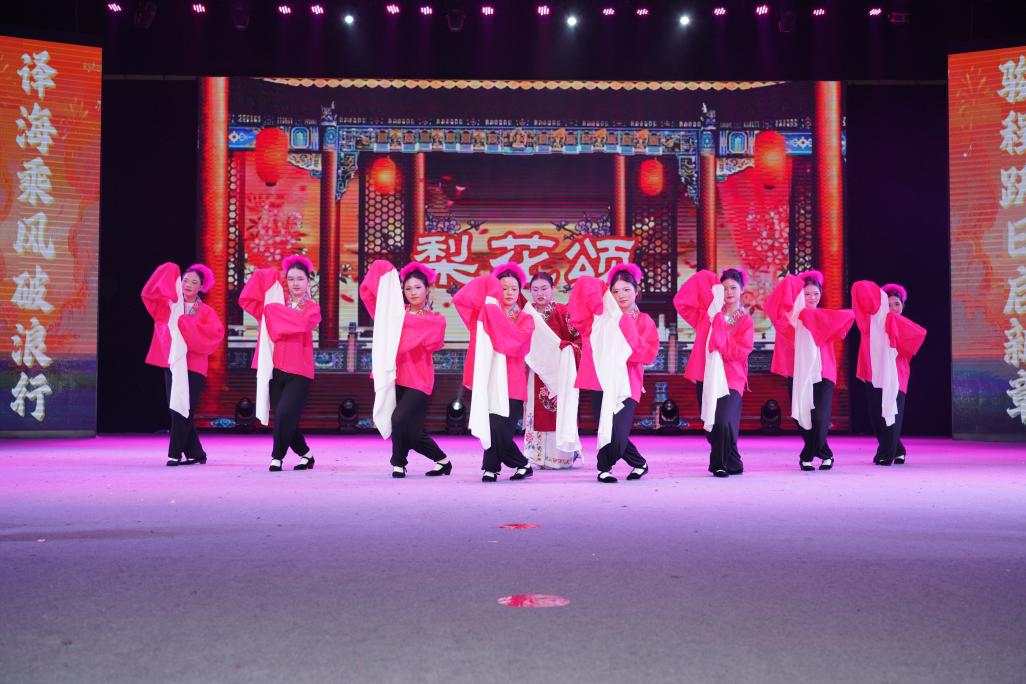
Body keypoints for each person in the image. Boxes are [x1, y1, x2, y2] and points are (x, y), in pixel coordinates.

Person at [359, 260, 451, 478]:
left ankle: (398, 463)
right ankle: (443, 461)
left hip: (419, 380)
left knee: (398, 419)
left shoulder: (435, 320)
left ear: (427, 289)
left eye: (418, 287)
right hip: (396, 376)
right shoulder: (394, 315)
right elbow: (368, 295)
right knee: (412, 432)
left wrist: (400, 323)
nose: (413, 292)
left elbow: (432, 342)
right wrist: (382, 269)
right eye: (408, 288)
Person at [568, 264, 659, 483]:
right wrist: (602, 294)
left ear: (637, 291)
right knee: (606, 428)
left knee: (618, 431)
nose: (621, 295)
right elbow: (582, 290)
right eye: (615, 291)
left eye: (626, 289)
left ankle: (610, 464)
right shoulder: (601, 319)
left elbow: (645, 354)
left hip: (628, 383)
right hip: (600, 381)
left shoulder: (644, 321)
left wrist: (624, 324)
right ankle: (612, 467)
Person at [765, 270, 854, 471]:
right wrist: (790, 283)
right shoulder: (791, 319)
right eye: (807, 294)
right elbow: (772, 306)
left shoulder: (824, 316)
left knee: (820, 417)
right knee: (802, 415)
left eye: (816, 293)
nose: (812, 297)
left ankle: (807, 454)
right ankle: (825, 453)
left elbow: (847, 318)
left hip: (824, 372)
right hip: (798, 372)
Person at [239, 254, 321, 472]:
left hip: (300, 371)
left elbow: (301, 324)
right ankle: (306, 455)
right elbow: (247, 298)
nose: (295, 283)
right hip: (274, 368)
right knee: (285, 418)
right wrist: (271, 276)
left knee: (285, 414)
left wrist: (274, 314)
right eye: (291, 279)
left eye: (300, 279)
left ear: (308, 281)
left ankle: (277, 457)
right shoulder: (273, 301)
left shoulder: (312, 307)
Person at [454, 264, 535, 482]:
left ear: (520, 292)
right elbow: (460, 299)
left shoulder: (525, 319)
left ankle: (508, 465)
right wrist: (487, 285)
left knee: (501, 431)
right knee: (492, 427)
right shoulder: (483, 313)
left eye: (514, 289)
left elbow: (514, 344)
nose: (509, 293)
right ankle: (506, 466)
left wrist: (493, 312)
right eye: (503, 288)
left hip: (513, 385)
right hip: (489, 382)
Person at [142, 262, 224, 466]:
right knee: (176, 408)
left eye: (194, 282)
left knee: (184, 408)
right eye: (185, 280)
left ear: (201, 287)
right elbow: (148, 294)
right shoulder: (170, 305)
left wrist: (186, 325)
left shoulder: (206, 311)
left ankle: (175, 453)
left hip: (194, 366)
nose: (188, 284)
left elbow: (213, 336)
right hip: (172, 362)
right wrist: (169, 269)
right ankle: (197, 454)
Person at [675, 268, 755, 477]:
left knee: (722, 420)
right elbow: (681, 302)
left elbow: (740, 351)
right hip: (706, 374)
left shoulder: (744, 320)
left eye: (733, 288)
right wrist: (706, 278)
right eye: (724, 288)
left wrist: (720, 332)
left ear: (742, 290)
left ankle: (717, 463)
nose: (729, 292)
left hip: (732, 377)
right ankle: (733, 461)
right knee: (710, 421)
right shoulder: (708, 314)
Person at [851, 280, 927, 465]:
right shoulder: (871, 322)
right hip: (873, 374)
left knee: (892, 411)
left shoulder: (902, 325)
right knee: (876, 414)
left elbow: (916, 340)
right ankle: (897, 449)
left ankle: (887, 453)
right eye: (889, 304)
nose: (893, 308)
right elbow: (859, 288)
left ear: (903, 306)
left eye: (897, 304)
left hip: (897, 375)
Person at [522, 271, 582, 469]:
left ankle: (561, 457)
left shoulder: (563, 312)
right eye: (535, 289)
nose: (540, 293)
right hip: (535, 373)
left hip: (560, 374)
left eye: (544, 288)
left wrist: (568, 348)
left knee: (560, 411)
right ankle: (535, 456)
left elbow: (579, 340)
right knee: (534, 412)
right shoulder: (526, 315)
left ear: (553, 289)